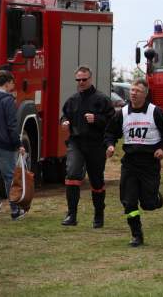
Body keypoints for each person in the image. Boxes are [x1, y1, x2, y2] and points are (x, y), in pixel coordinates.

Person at [105, 78, 163, 247]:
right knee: (128, 201)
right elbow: (110, 132)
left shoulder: (155, 112)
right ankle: (136, 234)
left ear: (145, 94)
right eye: (132, 91)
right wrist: (110, 145)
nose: (134, 93)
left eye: (138, 91)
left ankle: (156, 199)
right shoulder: (122, 113)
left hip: (149, 163)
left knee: (149, 204)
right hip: (129, 163)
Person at [60, 65, 115, 228]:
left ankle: (98, 215)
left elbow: (112, 122)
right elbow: (64, 115)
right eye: (78, 80)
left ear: (90, 79)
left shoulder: (102, 99)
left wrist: (97, 119)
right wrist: (64, 122)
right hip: (76, 142)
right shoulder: (72, 100)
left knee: (96, 180)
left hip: (96, 144)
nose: (81, 82)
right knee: (72, 174)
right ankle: (71, 215)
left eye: (84, 79)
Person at [0, 70, 26, 219]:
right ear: (7, 83)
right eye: (12, 82)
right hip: (4, 145)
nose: (14, 85)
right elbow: (12, 126)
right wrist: (18, 144)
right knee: (10, 178)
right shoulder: (8, 100)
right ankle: (15, 210)